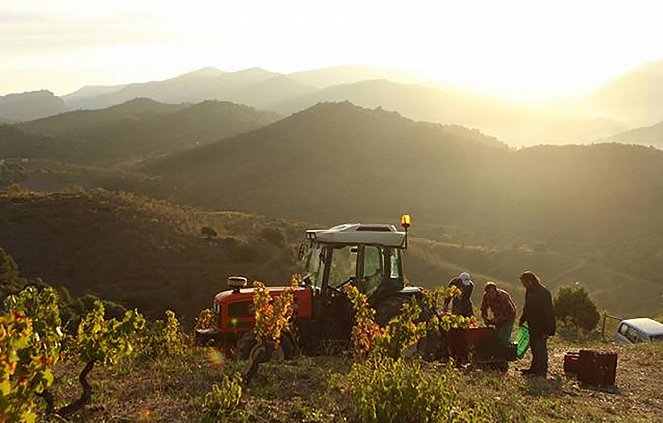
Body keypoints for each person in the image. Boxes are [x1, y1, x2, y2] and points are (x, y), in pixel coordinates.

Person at [518, 271, 556, 377]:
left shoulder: (543, 293)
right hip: (533, 325)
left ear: (530, 281)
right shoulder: (529, 292)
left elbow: (548, 312)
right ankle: (534, 369)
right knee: (534, 348)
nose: (523, 285)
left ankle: (542, 370)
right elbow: (527, 308)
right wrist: (522, 319)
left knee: (541, 349)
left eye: (524, 282)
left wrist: (549, 330)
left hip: (542, 326)